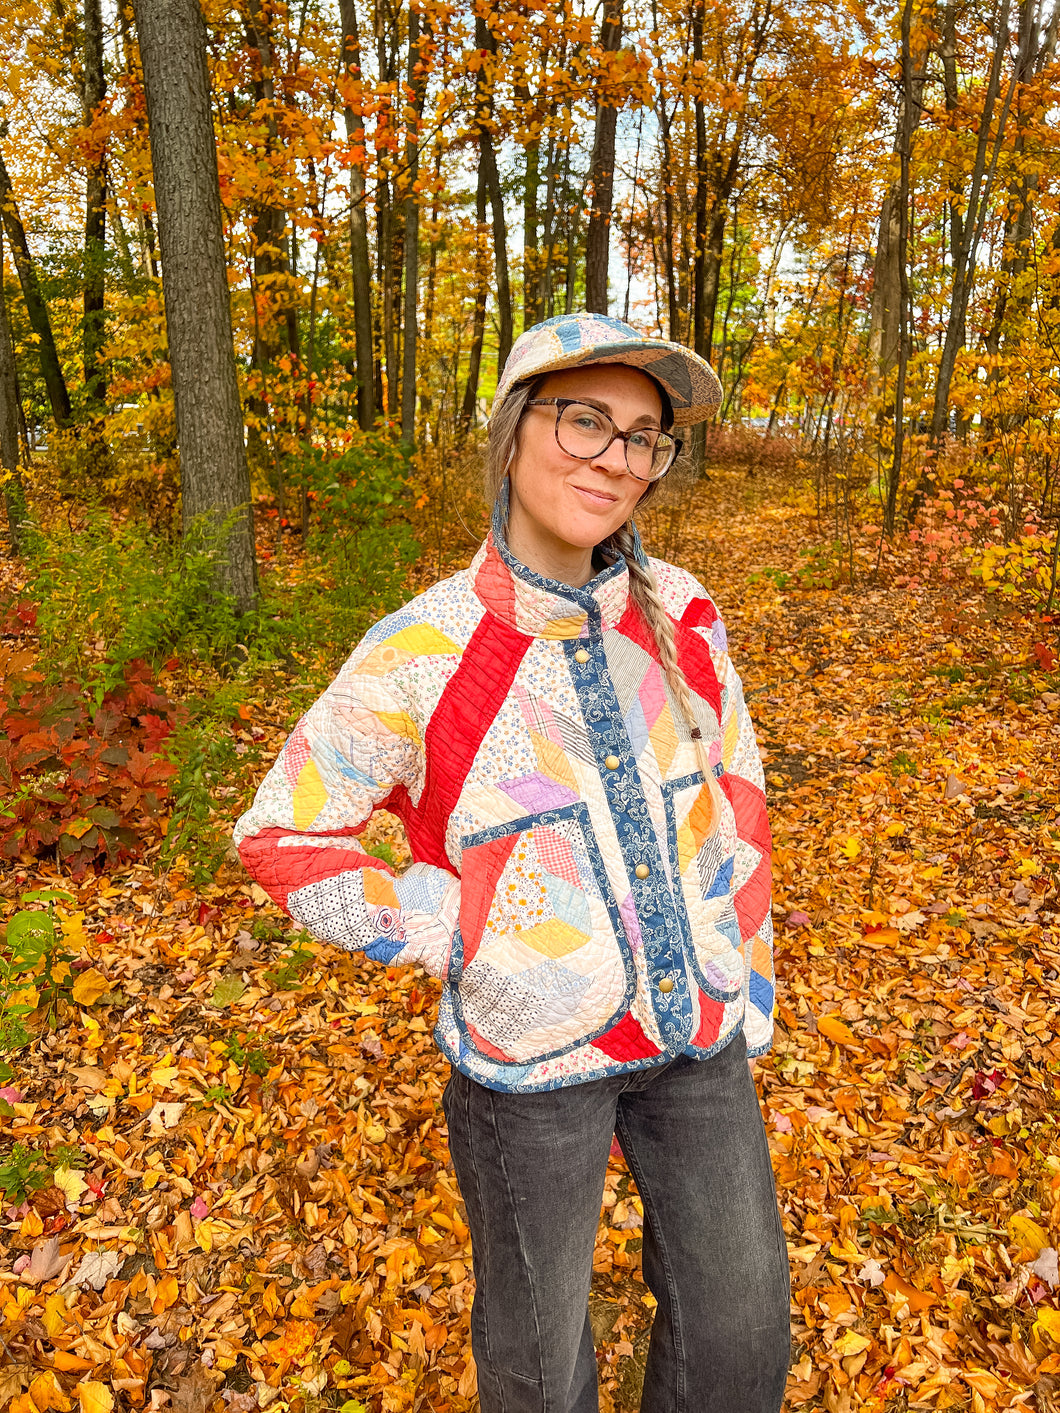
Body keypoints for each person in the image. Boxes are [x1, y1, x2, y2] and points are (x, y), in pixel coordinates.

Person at [234, 313, 791, 1413]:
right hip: (528, 1065)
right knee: (539, 1369)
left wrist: (746, 977)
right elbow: (282, 837)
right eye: (584, 419)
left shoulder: (682, 611)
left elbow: (738, 796)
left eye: (643, 437)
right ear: (512, 430)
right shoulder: (424, 648)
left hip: (697, 1037)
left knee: (741, 1334)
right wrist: (469, 930)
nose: (615, 458)